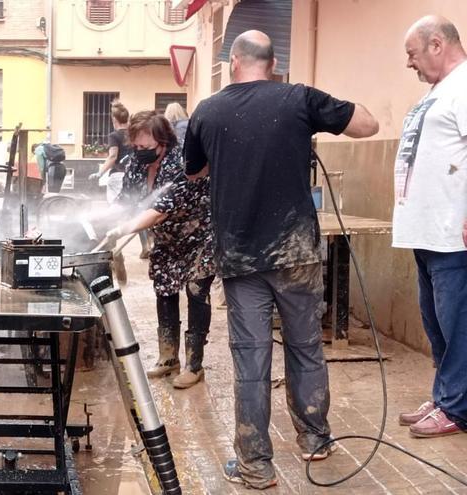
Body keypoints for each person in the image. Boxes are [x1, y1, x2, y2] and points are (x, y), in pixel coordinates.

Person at [184, 30, 378, 489]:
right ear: (273, 63)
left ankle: (255, 465)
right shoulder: (300, 98)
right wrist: (309, 118)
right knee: (306, 346)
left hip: (240, 255)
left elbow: (194, 170)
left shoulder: (207, 111)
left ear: (234, 62)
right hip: (296, 252)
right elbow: (367, 124)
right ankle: (314, 439)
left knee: (251, 358)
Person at [393, 15, 467, 439]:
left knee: (457, 323)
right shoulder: (439, 91)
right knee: (436, 322)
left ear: (437, 44)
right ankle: (446, 396)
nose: (409, 63)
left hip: (450, 232)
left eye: (412, 53)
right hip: (424, 230)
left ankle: (457, 407)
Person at [105, 110, 215, 389]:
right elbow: (125, 200)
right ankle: (168, 359)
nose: (141, 152)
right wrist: (108, 219)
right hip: (166, 239)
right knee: (164, 291)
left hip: (199, 235)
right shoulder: (136, 164)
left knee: (195, 292)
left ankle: (194, 365)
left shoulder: (181, 164)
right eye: (137, 147)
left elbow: (160, 210)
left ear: (163, 142)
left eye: (147, 147)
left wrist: (125, 229)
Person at [90, 100, 133, 204]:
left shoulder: (114, 136)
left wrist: (100, 173)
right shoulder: (134, 134)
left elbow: (113, 156)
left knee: (116, 206)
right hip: (133, 174)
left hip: (118, 175)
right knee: (130, 205)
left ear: (114, 119)